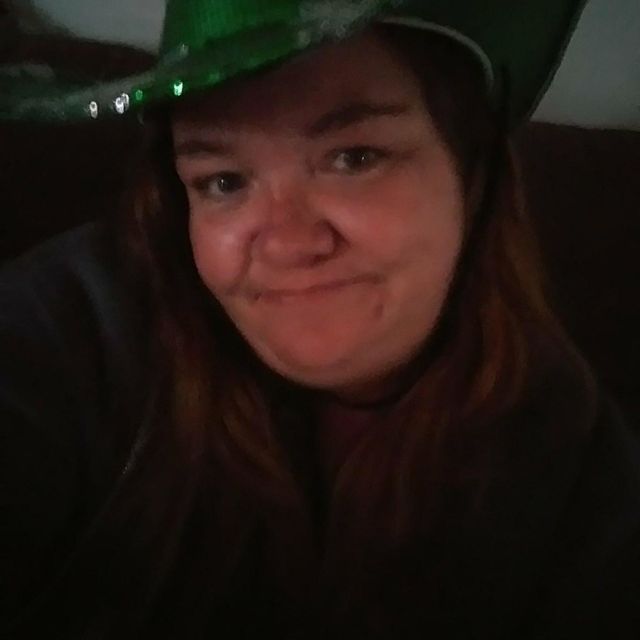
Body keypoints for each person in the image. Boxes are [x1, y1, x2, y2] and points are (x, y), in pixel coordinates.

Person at [1, 1, 639, 638]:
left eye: (355, 157)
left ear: (473, 181)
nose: (287, 243)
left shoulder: (574, 460)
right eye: (224, 181)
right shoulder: (82, 325)